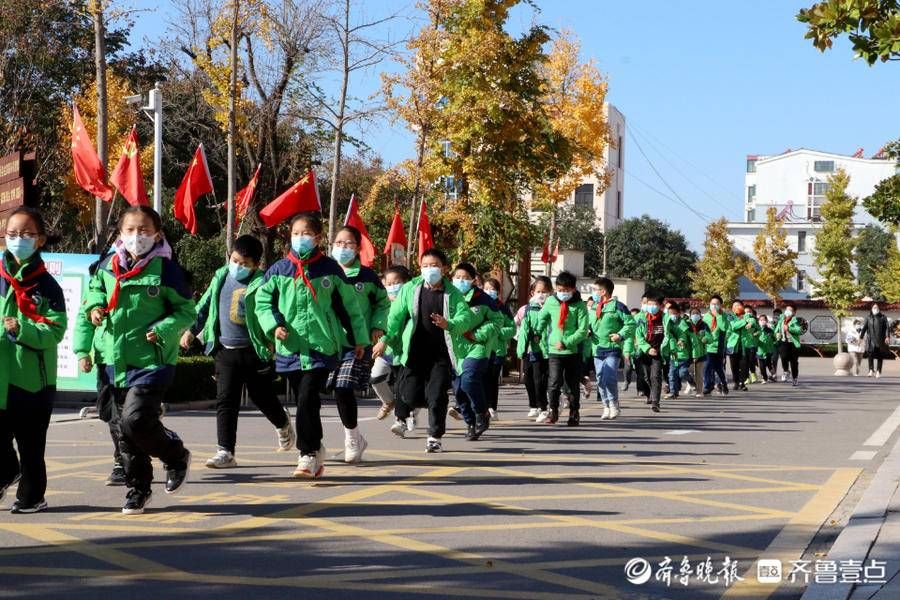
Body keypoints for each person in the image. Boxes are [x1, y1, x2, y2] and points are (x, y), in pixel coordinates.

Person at [76, 206, 194, 515]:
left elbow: (186, 311)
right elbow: (89, 305)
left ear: (158, 235)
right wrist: (83, 348)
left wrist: (164, 329)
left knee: (135, 420)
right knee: (121, 430)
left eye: (144, 230)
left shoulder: (166, 270)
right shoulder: (105, 268)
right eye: (130, 230)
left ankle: (175, 454)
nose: (136, 237)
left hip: (151, 362)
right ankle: (138, 489)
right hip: (112, 361)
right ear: (119, 233)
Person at [255, 213, 369, 479]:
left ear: (317, 238)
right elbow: (263, 302)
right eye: (296, 233)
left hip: (321, 345)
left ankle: (306, 454)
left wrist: (358, 340)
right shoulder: (279, 269)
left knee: (307, 396)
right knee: (305, 401)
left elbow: (348, 308)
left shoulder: (330, 269)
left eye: (306, 234)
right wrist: (273, 325)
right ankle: (316, 447)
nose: (300, 238)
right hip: (290, 347)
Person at [180, 235, 295, 469]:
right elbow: (204, 305)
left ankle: (283, 423)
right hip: (225, 350)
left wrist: (275, 330)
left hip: (253, 350)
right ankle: (226, 451)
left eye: (244, 263)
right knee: (226, 401)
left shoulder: (263, 282)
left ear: (255, 264)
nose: (238, 266)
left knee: (262, 397)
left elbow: (272, 309)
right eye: (234, 260)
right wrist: (192, 330)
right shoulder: (221, 276)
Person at [373, 248, 478, 452]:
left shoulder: (452, 293)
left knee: (437, 394)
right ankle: (415, 410)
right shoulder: (410, 289)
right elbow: (395, 317)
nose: (430, 270)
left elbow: (466, 318)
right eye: (426, 266)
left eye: (435, 266)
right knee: (409, 395)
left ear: (444, 269)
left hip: (440, 355)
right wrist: (385, 339)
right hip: (413, 353)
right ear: (420, 268)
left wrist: (449, 324)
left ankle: (434, 436)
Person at [0, 207, 67, 514]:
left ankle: (31, 496)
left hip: (32, 380)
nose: (18, 240)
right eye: (12, 234)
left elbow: (54, 330)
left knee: (30, 445)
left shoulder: (47, 286)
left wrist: (22, 328)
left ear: (40, 240)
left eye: (26, 234)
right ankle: (4, 473)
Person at [323, 225, 390, 463]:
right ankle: (313, 442)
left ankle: (352, 438)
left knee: (343, 388)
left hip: (355, 342)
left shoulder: (367, 277)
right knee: (312, 391)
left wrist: (377, 327)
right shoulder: (323, 273)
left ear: (358, 248)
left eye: (348, 244)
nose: (342, 248)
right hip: (325, 341)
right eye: (338, 243)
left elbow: (383, 303)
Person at [73, 254, 124, 486]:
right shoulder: (103, 272)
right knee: (106, 411)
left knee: (122, 415)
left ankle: (121, 462)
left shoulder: (153, 269)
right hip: (106, 358)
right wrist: (83, 352)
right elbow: (84, 319)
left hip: (136, 359)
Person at [447, 263, 501, 441]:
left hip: (476, 347)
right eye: (457, 277)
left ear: (473, 280)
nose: (460, 281)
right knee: (459, 391)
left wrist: (478, 335)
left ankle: (481, 412)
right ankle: (470, 423)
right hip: (454, 350)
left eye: (465, 278)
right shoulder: (447, 296)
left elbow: (497, 320)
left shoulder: (482, 299)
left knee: (469, 381)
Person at [536, 271, 589, 426]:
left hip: (572, 351)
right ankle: (553, 411)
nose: (562, 293)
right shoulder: (551, 301)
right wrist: (538, 332)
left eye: (566, 290)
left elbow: (583, 330)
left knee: (572, 386)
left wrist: (566, 342)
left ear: (573, 289)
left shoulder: (579, 305)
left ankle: (574, 413)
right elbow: (542, 317)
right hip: (554, 351)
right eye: (560, 289)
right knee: (553, 383)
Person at [586, 277, 634, 420]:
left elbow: (630, 324)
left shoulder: (619, 306)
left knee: (609, 376)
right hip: (597, 348)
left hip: (612, 348)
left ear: (603, 291)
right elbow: (589, 324)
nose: (593, 293)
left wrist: (620, 335)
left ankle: (614, 404)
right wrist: (587, 331)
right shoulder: (594, 307)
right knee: (600, 378)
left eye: (595, 290)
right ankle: (606, 405)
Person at [372, 266, 411, 420]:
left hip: (405, 352)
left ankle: (406, 416)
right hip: (386, 350)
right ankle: (388, 401)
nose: (392, 286)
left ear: (406, 282)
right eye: (389, 283)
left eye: (397, 282)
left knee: (404, 386)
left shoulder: (410, 303)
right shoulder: (381, 304)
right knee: (375, 378)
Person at [517, 277, 552, 421]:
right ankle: (534, 405)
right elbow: (522, 329)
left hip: (546, 351)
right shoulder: (527, 309)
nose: (541, 294)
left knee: (540, 380)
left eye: (545, 291)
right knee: (528, 379)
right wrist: (521, 348)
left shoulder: (553, 308)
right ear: (532, 292)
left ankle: (544, 407)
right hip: (530, 349)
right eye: (539, 291)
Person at [482, 277, 516, 421]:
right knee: (481, 379)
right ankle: (482, 408)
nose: (490, 292)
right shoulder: (479, 306)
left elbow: (512, 328)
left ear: (498, 292)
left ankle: (492, 408)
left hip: (498, 351)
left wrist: (498, 333)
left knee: (492, 380)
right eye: (487, 289)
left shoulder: (503, 308)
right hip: (482, 350)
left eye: (493, 289)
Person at [636, 296, 666, 412]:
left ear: (659, 306)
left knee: (655, 376)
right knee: (646, 377)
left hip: (658, 352)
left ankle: (655, 402)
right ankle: (649, 395)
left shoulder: (665, 318)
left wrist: (680, 341)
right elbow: (638, 336)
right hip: (645, 352)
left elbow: (674, 332)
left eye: (655, 305)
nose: (652, 307)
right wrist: (647, 349)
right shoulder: (641, 318)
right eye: (650, 304)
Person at [702, 295, 730, 396]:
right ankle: (707, 386)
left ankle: (724, 383)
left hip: (719, 346)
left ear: (721, 305)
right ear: (709, 304)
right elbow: (703, 329)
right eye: (713, 304)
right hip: (708, 346)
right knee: (707, 366)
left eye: (717, 304)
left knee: (718, 368)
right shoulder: (706, 316)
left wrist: (718, 315)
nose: (714, 306)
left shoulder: (724, 316)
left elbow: (724, 327)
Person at [664, 303, 691, 400]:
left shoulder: (682, 324)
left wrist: (682, 341)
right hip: (674, 353)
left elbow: (684, 335)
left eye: (674, 313)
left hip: (683, 354)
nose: (673, 316)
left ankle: (691, 380)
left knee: (682, 373)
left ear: (679, 313)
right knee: (672, 374)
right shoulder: (667, 324)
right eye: (670, 313)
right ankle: (673, 392)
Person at [686, 307, 711, 398]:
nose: (695, 315)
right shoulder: (687, 325)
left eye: (697, 313)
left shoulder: (704, 325)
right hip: (689, 353)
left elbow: (710, 336)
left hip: (701, 353)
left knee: (699, 374)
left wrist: (706, 339)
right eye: (693, 313)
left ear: (700, 315)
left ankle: (699, 391)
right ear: (690, 315)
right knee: (685, 371)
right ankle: (691, 383)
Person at [860, 303, 890, 379]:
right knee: (870, 355)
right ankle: (871, 370)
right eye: (874, 307)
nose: (875, 308)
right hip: (871, 339)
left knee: (880, 356)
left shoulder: (883, 317)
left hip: (880, 339)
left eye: (876, 307)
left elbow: (887, 328)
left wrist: (887, 337)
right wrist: (861, 337)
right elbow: (864, 328)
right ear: (871, 308)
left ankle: (878, 371)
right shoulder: (868, 317)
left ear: (879, 308)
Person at [775, 303, 802, 386]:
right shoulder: (781, 319)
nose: (787, 311)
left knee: (794, 362)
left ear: (794, 312)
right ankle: (786, 370)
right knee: (783, 357)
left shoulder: (795, 320)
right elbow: (777, 329)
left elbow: (799, 330)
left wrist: (789, 328)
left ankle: (795, 378)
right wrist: (777, 334)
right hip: (783, 341)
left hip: (793, 343)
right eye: (787, 310)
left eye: (790, 310)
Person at [621, 308, 641, 393]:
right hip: (629, 348)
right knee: (628, 366)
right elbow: (627, 340)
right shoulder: (628, 327)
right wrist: (626, 352)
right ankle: (626, 381)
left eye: (635, 316)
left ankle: (640, 389)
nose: (633, 318)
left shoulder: (641, 326)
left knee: (640, 371)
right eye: (631, 316)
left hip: (640, 349)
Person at [756, 314, 776, 383]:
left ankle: (773, 375)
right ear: (758, 321)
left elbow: (774, 339)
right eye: (761, 320)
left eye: (764, 320)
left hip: (768, 350)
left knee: (768, 363)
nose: (762, 321)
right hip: (760, 350)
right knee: (761, 365)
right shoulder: (757, 330)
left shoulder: (770, 330)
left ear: (766, 321)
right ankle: (764, 378)